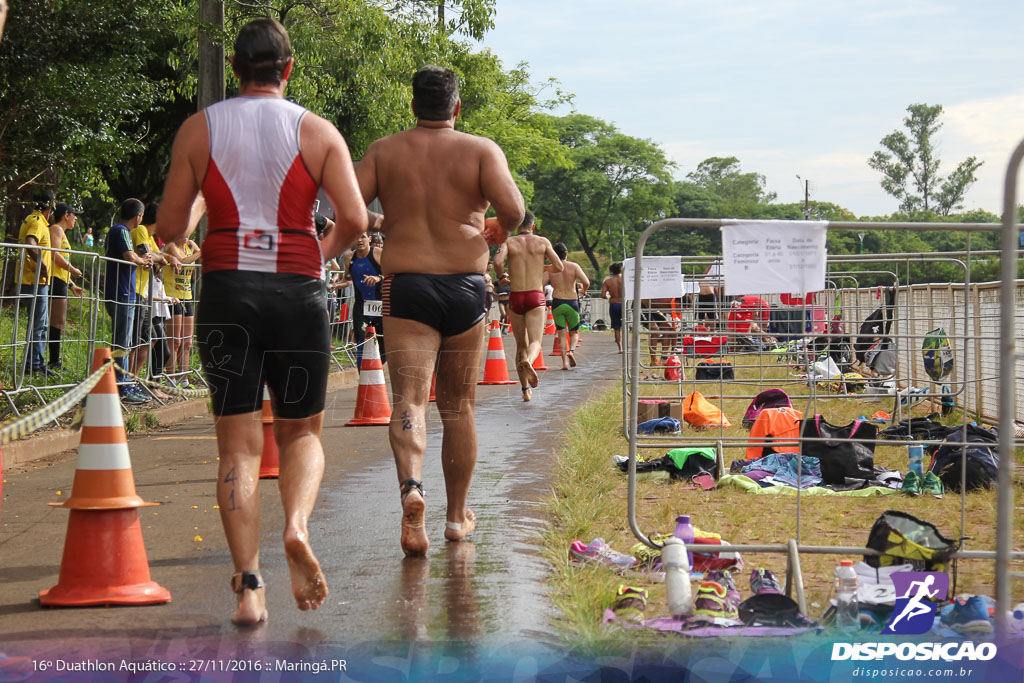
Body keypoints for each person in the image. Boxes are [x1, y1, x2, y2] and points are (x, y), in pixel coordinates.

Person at [157, 17, 367, 626]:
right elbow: (353, 218)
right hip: (297, 293)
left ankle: (249, 587)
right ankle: (296, 529)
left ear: (234, 71)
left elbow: (169, 227)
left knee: (238, 449)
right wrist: (314, 257)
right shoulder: (318, 131)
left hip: (226, 296)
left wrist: (200, 201)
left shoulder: (200, 129)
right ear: (289, 68)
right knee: (302, 433)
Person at [354, 64, 524, 557]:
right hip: (465, 287)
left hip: (407, 287)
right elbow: (512, 209)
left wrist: (387, 219)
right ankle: (455, 518)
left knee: (409, 399)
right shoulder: (479, 150)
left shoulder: (385, 151)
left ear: (412, 106)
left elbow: (349, 204)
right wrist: (497, 229)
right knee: (458, 407)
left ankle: (412, 489)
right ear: (456, 107)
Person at [492, 210, 562, 401]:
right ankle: (529, 361)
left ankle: (525, 391)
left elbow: (497, 261)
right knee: (535, 342)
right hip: (535, 295)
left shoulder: (509, 241)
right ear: (533, 226)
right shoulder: (542, 241)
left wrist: (501, 277)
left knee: (520, 345)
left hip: (516, 296)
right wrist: (543, 267)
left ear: (517, 226)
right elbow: (559, 267)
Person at [105, 199, 153, 403]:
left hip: (124, 292)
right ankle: (122, 386)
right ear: (138, 216)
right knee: (123, 341)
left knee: (123, 340)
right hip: (122, 293)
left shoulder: (118, 230)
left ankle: (123, 383)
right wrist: (144, 261)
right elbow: (130, 255)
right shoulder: (121, 230)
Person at [130, 203, 175, 383]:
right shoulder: (141, 230)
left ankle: (134, 380)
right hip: (136, 292)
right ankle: (129, 381)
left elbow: (157, 255)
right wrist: (159, 258)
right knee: (136, 342)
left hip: (144, 294)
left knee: (149, 340)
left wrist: (160, 257)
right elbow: (148, 254)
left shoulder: (148, 236)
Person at [19, 191, 56, 377]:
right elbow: (30, 242)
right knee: (38, 325)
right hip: (34, 281)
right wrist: (42, 266)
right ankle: (33, 365)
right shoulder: (37, 221)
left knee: (40, 324)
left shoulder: (34, 219)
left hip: (36, 281)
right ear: (51, 205)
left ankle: (37, 362)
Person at [47, 203, 85, 370]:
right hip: (54, 280)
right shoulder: (56, 229)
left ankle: (53, 360)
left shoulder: (63, 233)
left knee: (58, 322)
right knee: (57, 322)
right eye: (74, 214)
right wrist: (73, 269)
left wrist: (71, 284)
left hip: (62, 281)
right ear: (66, 215)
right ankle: (53, 361)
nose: (76, 218)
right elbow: (54, 255)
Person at [339, 230, 385, 365]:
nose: (360, 240)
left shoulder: (377, 253)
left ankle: (378, 370)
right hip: (361, 306)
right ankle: (363, 375)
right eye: (356, 238)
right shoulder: (349, 257)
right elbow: (347, 279)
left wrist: (378, 278)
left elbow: (391, 274)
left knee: (383, 344)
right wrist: (336, 285)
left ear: (369, 239)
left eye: (363, 237)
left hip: (380, 305)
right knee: (361, 341)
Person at [161, 232, 200, 383]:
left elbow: (198, 256)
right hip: (173, 296)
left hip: (187, 296)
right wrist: (201, 252)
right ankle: (171, 377)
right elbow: (183, 261)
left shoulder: (190, 245)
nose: (186, 235)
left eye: (188, 232)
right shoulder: (171, 245)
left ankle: (184, 378)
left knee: (187, 342)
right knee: (175, 341)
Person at [545, 242, 590, 370]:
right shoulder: (574, 266)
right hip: (572, 302)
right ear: (566, 254)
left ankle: (564, 362)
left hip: (557, 303)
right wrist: (582, 291)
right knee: (574, 332)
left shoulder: (551, 268)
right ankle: (571, 351)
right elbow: (586, 282)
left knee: (561, 334)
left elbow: (541, 283)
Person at [601, 262, 623, 354]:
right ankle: (626, 347)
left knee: (617, 328)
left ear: (611, 271)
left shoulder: (608, 281)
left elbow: (602, 295)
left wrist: (608, 297)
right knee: (625, 325)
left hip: (614, 304)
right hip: (623, 304)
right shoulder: (624, 279)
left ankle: (620, 348)